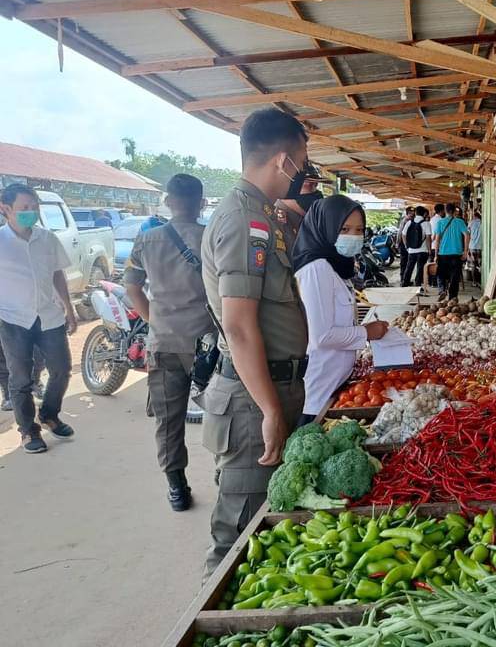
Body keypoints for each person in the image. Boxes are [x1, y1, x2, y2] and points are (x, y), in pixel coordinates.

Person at [200, 108, 310, 578]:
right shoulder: (246, 220)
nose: (303, 172)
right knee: (239, 534)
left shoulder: (263, 215)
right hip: (251, 401)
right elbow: (240, 327)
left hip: (268, 389)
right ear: (283, 159)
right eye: (302, 161)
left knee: (266, 523)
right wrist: (268, 409)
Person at [124, 174, 214, 512]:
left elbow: (132, 288)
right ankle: (224, 471)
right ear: (201, 203)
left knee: (168, 419)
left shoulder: (146, 240)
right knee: (221, 410)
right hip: (209, 343)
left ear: (167, 201)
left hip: (164, 344)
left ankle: (177, 488)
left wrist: (153, 320)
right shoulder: (212, 238)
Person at [292, 195, 389, 421]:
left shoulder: (335, 265)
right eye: (344, 229)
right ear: (325, 228)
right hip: (317, 393)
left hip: (334, 384)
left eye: (359, 230)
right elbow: (322, 336)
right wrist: (367, 332)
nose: (353, 236)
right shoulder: (316, 269)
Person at [0, 183, 76, 454]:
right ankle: (29, 431)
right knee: (20, 379)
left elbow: (57, 273)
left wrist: (68, 306)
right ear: (5, 209)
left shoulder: (47, 239)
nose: (31, 213)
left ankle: (49, 414)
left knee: (61, 370)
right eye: (24, 208)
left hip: (48, 316)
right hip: (13, 319)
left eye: (34, 207)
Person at [433, 202, 470, 300]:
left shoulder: (440, 222)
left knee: (441, 274)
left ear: (445, 211)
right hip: (456, 254)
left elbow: (437, 240)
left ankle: (442, 290)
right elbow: (467, 235)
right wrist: (465, 251)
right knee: (454, 276)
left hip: (443, 253)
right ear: (454, 211)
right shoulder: (460, 222)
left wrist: (436, 254)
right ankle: (453, 297)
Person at [400, 206, 431, 287]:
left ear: (415, 213)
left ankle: (405, 283)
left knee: (409, 267)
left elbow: (403, 235)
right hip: (423, 250)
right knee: (420, 269)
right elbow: (428, 238)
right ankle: (417, 285)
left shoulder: (409, 222)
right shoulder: (426, 223)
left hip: (411, 250)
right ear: (424, 213)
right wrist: (429, 250)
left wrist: (406, 245)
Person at [428, 203, 444, 287]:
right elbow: (435, 235)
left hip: (432, 245)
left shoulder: (432, 219)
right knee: (438, 266)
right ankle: (436, 283)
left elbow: (431, 235)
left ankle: (431, 282)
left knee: (432, 265)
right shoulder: (440, 220)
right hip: (439, 246)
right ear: (441, 211)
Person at [397, 206, 414, 279]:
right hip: (404, 244)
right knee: (404, 262)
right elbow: (400, 233)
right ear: (408, 213)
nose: (413, 214)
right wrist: (397, 243)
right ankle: (403, 278)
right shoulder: (405, 221)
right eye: (411, 213)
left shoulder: (410, 221)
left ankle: (405, 278)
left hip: (408, 244)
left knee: (407, 262)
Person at [467, 209, 482, 287]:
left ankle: (474, 282)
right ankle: (481, 281)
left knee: (473, 265)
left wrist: (467, 249)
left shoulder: (470, 223)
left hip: (472, 246)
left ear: (474, 216)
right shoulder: (482, 223)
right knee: (481, 264)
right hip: (481, 246)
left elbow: (467, 235)